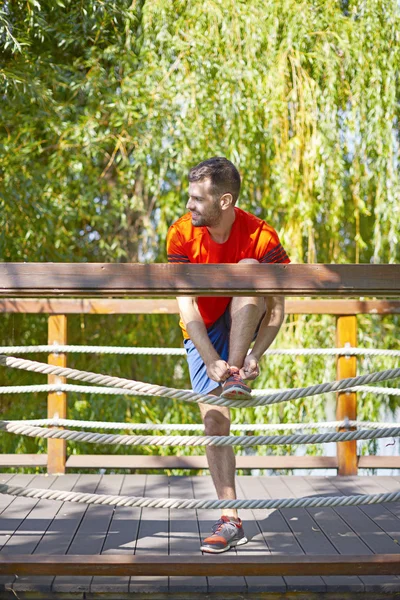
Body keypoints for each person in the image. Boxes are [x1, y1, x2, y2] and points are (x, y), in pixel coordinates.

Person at [166, 157, 290, 553]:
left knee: (251, 268)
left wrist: (256, 353)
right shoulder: (181, 234)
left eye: (197, 199)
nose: (189, 206)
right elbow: (185, 308)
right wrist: (207, 359)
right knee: (215, 423)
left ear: (225, 201)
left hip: (242, 317)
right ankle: (230, 519)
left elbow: (279, 307)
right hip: (201, 326)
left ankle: (235, 374)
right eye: (188, 197)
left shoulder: (261, 236)